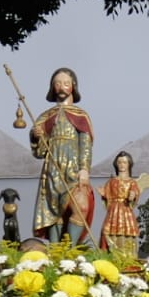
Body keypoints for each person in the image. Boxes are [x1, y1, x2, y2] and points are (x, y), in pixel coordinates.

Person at [28, 67, 94, 239]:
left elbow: (85, 144)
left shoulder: (81, 115)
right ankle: (56, 252)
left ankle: (70, 250)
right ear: (52, 87)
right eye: (58, 83)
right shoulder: (46, 116)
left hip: (73, 166)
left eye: (66, 83)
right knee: (54, 211)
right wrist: (37, 137)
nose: (62, 86)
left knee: (81, 206)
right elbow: (40, 151)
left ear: (73, 86)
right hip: (53, 168)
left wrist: (84, 169)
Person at [99, 150, 142, 258]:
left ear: (129, 165)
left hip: (126, 211)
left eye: (124, 162)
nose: (122, 165)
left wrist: (133, 196)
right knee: (106, 232)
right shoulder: (111, 182)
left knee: (126, 234)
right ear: (116, 164)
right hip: (113, 212)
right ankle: (111, 255)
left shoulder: (132, 182)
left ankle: (127, 258)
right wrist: (104, 195)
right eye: (120, 162)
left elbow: (135, 194)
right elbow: (107, 197)